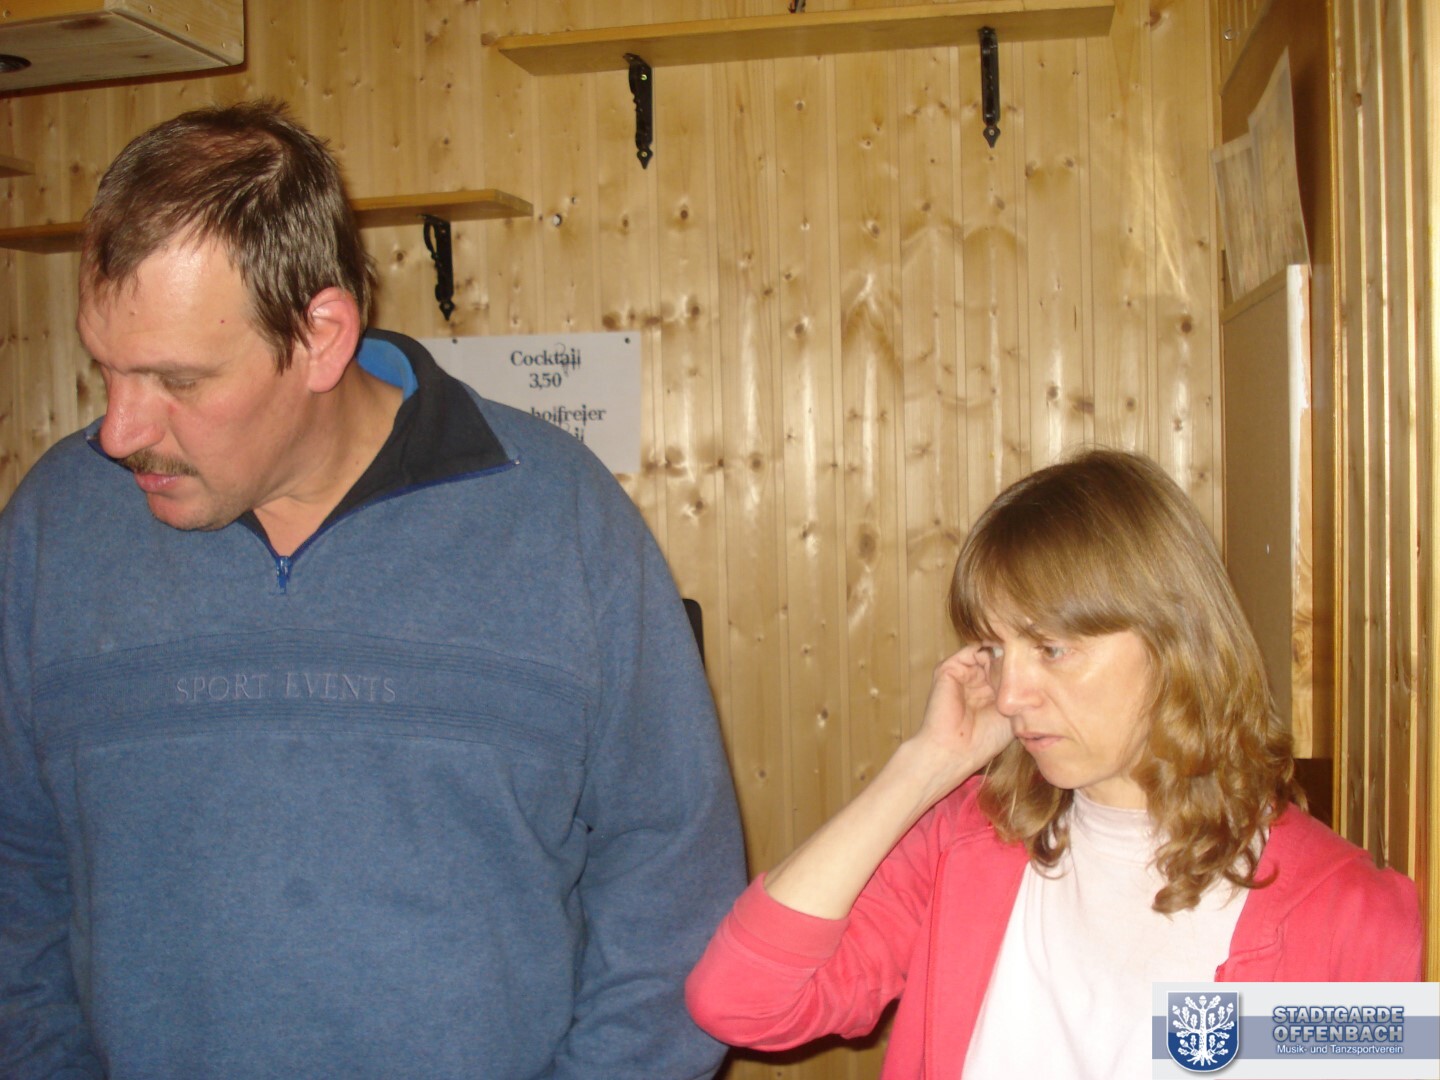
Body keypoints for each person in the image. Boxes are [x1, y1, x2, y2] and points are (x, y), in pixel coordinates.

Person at [0, 99, 745, 1079]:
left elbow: (673, 879)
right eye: (107, 370)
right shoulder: (55, 522)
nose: (118, 430)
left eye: (177, 381)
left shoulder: (560, 516)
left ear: (322, 335)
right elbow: (13, 873)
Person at [685, 449, 1422, 1078]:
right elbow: (738, 1001)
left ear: (1174, 640)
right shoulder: (968, 844)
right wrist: (926, 766)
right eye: (995, 648)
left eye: (1052, 648)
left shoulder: (1349, 917)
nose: (1010, 695)